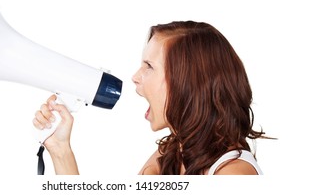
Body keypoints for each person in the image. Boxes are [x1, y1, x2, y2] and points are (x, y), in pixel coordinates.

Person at [33, 21, 267, 175]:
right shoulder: (169, 155)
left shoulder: (235, 173)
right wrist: (60, 149)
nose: (135, 77)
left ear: (187, 83)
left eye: (149, 66)